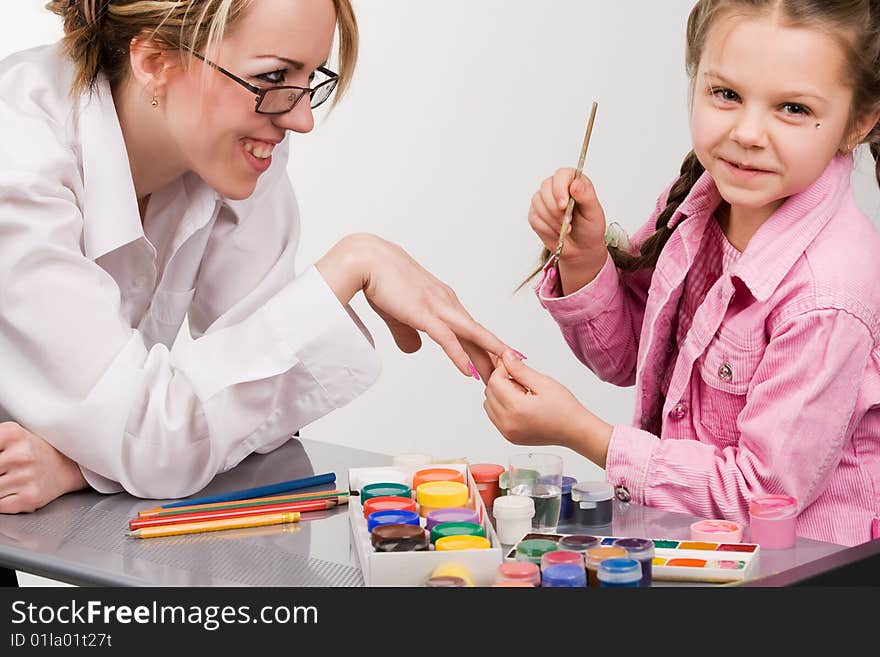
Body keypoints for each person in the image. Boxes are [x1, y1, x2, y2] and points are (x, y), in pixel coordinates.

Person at [0, 0, 510, 512]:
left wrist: (83, 461)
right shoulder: (17, 159)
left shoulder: (232, 141)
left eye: (311, 79)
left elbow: (256, 409)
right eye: (272, 76)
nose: (302, 118)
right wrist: (354, 262)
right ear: (154, 62)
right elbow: (163, 435)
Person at [484, 0, 880, 546]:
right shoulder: (698, 207)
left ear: (858, 120)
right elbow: (629, 360)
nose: (747, 132)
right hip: (693, 550)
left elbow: (757, 499)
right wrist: (584, 259)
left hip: (802, 572)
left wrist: (585, 435)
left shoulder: (828, 293)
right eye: (726, 94)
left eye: (791, 108)